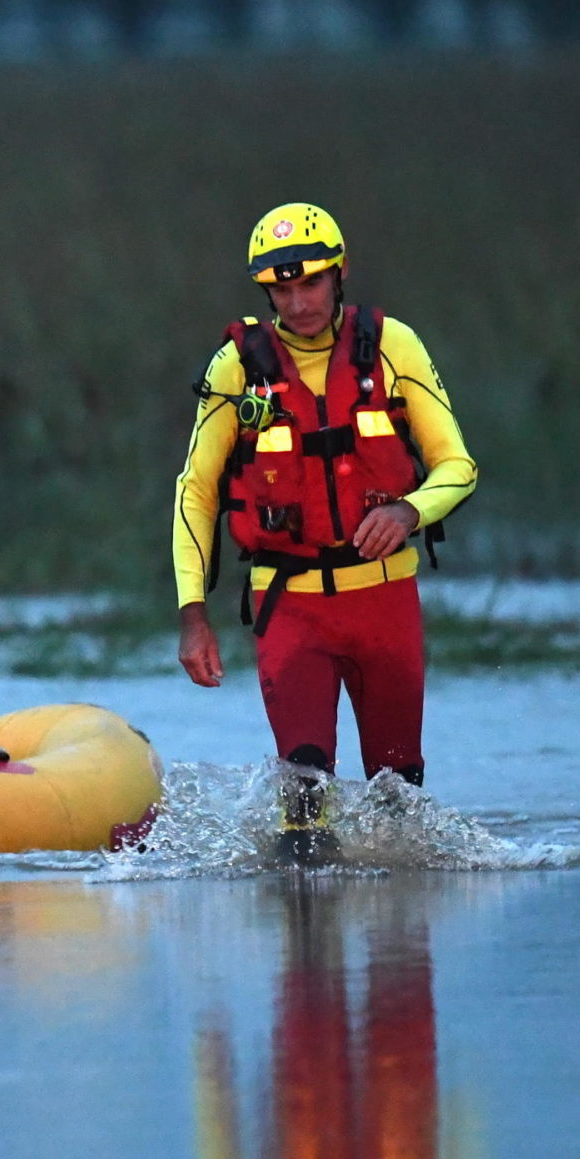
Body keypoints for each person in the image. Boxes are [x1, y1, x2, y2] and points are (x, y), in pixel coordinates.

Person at [171, 203, 477, 858]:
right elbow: (194, 490)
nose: (298, 301)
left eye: (310, 283)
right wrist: (192, 612)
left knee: (401, 792)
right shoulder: (236, 367)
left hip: (385, 603)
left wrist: (408, 511)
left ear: (339, 275)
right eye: (281, 289)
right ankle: (307, 944)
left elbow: (459, 465)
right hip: (292, 606)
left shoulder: (394, 347)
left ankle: (402, 939)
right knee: (303, 802)